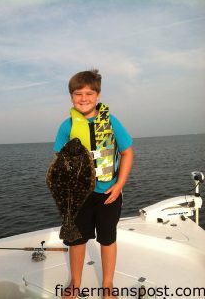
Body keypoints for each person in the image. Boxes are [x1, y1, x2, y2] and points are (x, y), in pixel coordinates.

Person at [53, 69, 133, 298]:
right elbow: (59, 161)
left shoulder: (111, 121)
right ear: (71, 97)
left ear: (98, 95)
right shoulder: (66, 126)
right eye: (78, 93)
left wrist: (119, 185)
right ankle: (75, 283)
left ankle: (108, 284)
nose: (84, 98)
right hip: (77, 197)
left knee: (107, 239)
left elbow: (127, 152)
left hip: (108, 193)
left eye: (89, 93)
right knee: (76, 240)